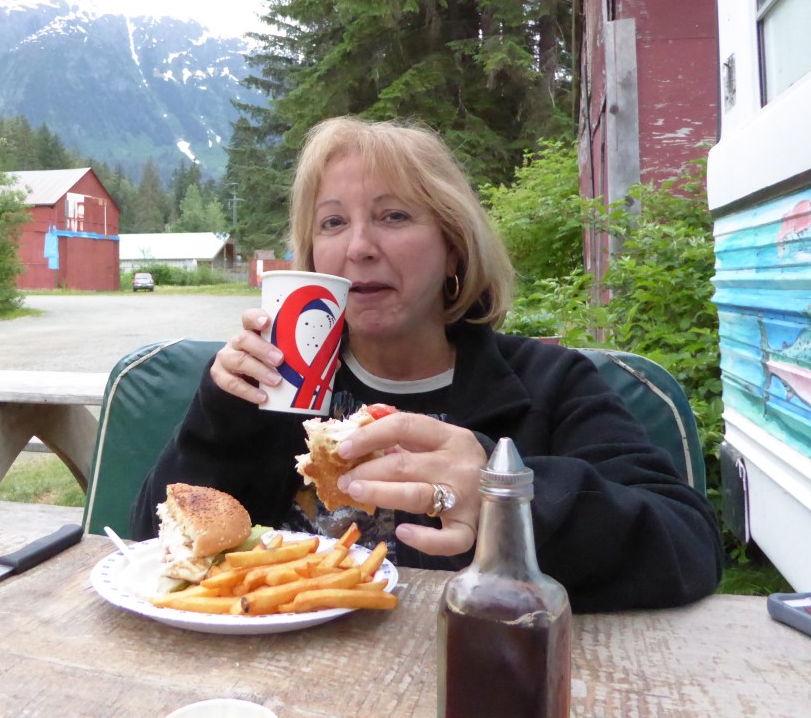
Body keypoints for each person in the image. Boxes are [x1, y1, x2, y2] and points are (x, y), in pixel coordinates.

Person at [132, 116, 723, 612]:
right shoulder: (278, 389)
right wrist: (221, 417)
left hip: (471, 671)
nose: (359, 247)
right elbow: (149, 547)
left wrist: (505, 497)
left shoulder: (551, 385)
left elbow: (689, 546)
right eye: (333, 222)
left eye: (393, 216)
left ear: (453, 250)